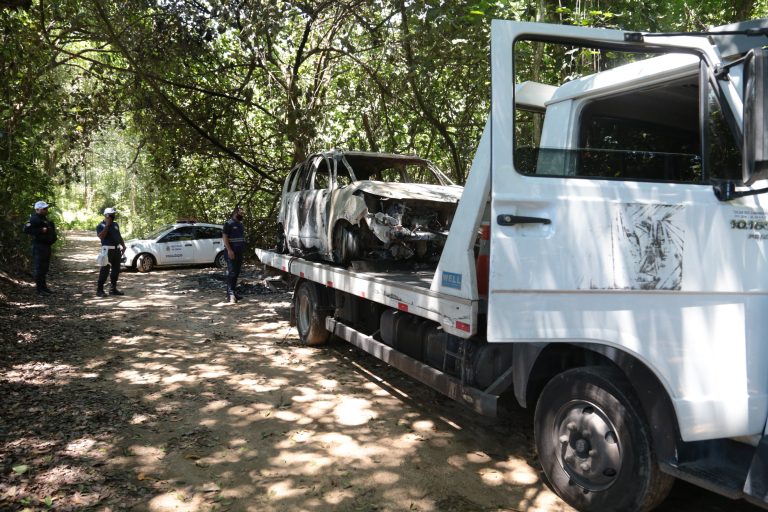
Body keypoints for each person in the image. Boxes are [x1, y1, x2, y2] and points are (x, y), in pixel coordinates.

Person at [24, 200, 58, 295]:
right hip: (39, 246)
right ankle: (39, 290)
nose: (46, 210)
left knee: (44, 268)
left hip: (46, 246)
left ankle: (44, 287)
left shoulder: (44, 218)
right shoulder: (33, 219)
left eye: (46, 208)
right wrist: (40, 230)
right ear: (37, 209)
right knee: (39, 268)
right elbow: (26, 229)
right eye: (44, 209)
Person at [96, 207, 127, 297]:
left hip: (117, 250)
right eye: (111, 214)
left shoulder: (116, 224)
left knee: (116, 270)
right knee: (105, 270)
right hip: (107, 250)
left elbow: (119, 236)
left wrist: (123, 246)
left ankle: (113, 289)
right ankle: (99, 290)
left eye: (114, 214)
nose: (113, 216)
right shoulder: (100, 226)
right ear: (106, 215)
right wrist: (107, 225)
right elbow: (101, 237)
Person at [222, 206, 246, 303]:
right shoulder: (228, 224)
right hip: (231, 252)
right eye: (240, 213)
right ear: (235, 213)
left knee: (236, 273)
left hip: (239, 252)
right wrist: (229, 250)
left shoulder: (240, 224)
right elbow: (225, 238)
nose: (242, 215)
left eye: (243, 214)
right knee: (231, 273)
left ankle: (234, 292)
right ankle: (230, 294)